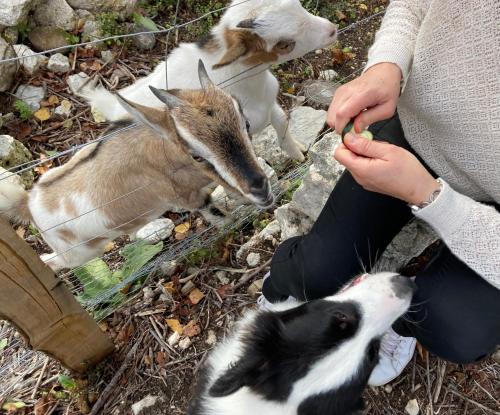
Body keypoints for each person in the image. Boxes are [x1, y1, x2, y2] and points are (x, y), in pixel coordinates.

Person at [260, 0, 500, 385]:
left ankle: (397, 326)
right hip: (416, 133)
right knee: (316, 272)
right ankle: (281, 289)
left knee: (456, 329)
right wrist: (386, 64)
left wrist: (431, 198)